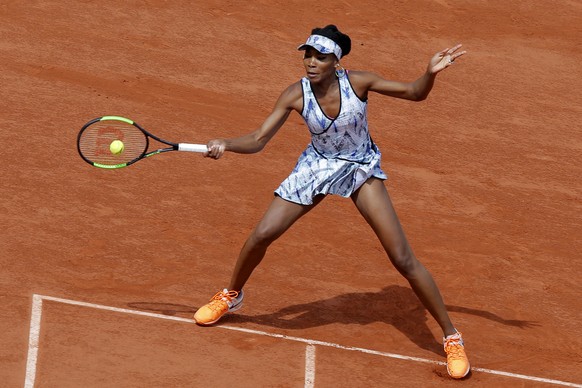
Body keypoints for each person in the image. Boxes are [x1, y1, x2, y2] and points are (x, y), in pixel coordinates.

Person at [194, 25, 470, 379]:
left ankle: (451, 336)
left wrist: (428, 74)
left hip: (359, 166)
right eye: (307, 54)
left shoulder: (359, 83)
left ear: (336, 62)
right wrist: (227, 144)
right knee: (263, 234)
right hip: (316, 166)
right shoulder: (295, 94)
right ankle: (231, 294)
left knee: (402, 257)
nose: (311, 62)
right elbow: (259, 139)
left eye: (320, 56)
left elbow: (415, 93)